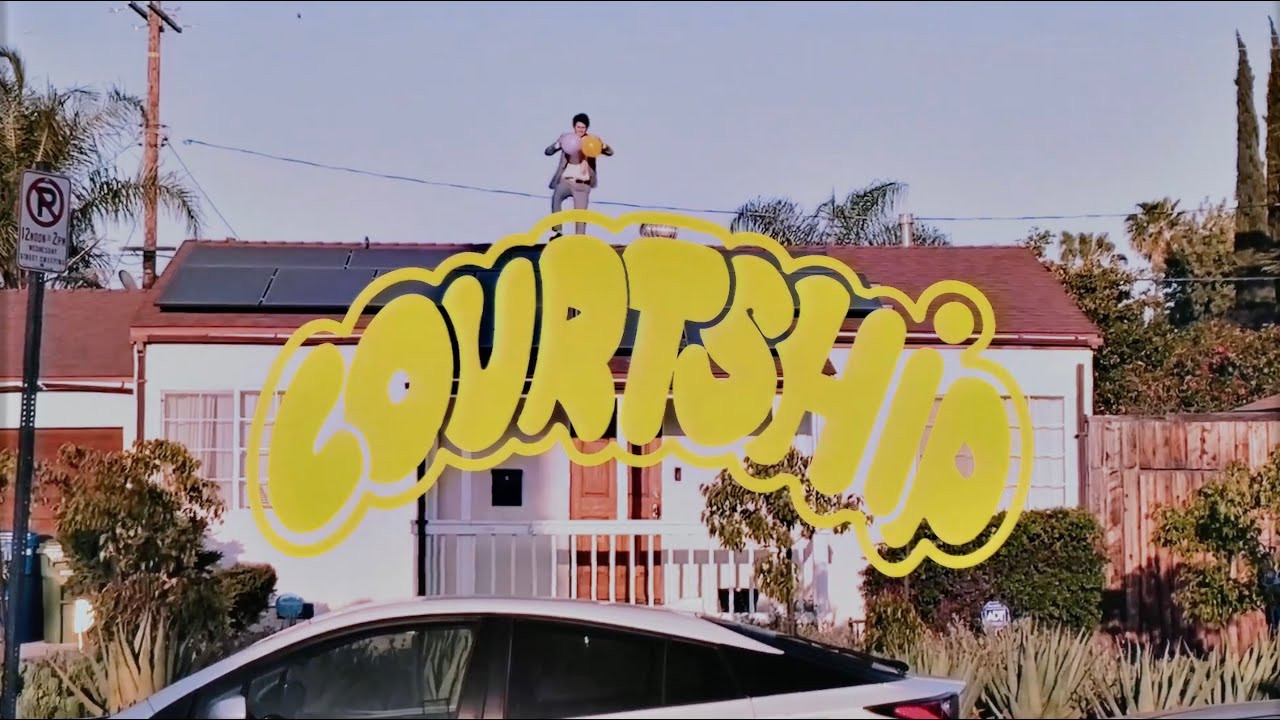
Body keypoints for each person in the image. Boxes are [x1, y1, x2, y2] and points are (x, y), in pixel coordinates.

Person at [545, 112, 613, 238]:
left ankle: (579, 240)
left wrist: (603, 145)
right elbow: (548, 152)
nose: (580, 130)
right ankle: (557, 231)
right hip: (566, 180)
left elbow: (610, 152)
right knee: (556, 199)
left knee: (581, 216)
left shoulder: (592, 140)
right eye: (578, 127)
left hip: (582, 183)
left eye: (583, 127)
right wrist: (558, 144)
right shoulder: (567, 139)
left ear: (586, 128)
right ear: (574, 127)